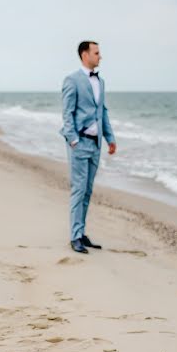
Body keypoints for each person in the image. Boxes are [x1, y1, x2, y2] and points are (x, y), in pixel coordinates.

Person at [60, 40, 116, 254]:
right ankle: (74, 237)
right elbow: (67, 113)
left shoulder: (100, 82)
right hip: (79, 143)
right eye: (96, 53)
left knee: (88, 191)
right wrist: (73, 139)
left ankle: (81, 233)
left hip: (96, 144)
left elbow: (103, 112)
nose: (100, 56)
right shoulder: (72, 80)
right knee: (78, 189)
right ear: (85, 55)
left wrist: (110, 138)